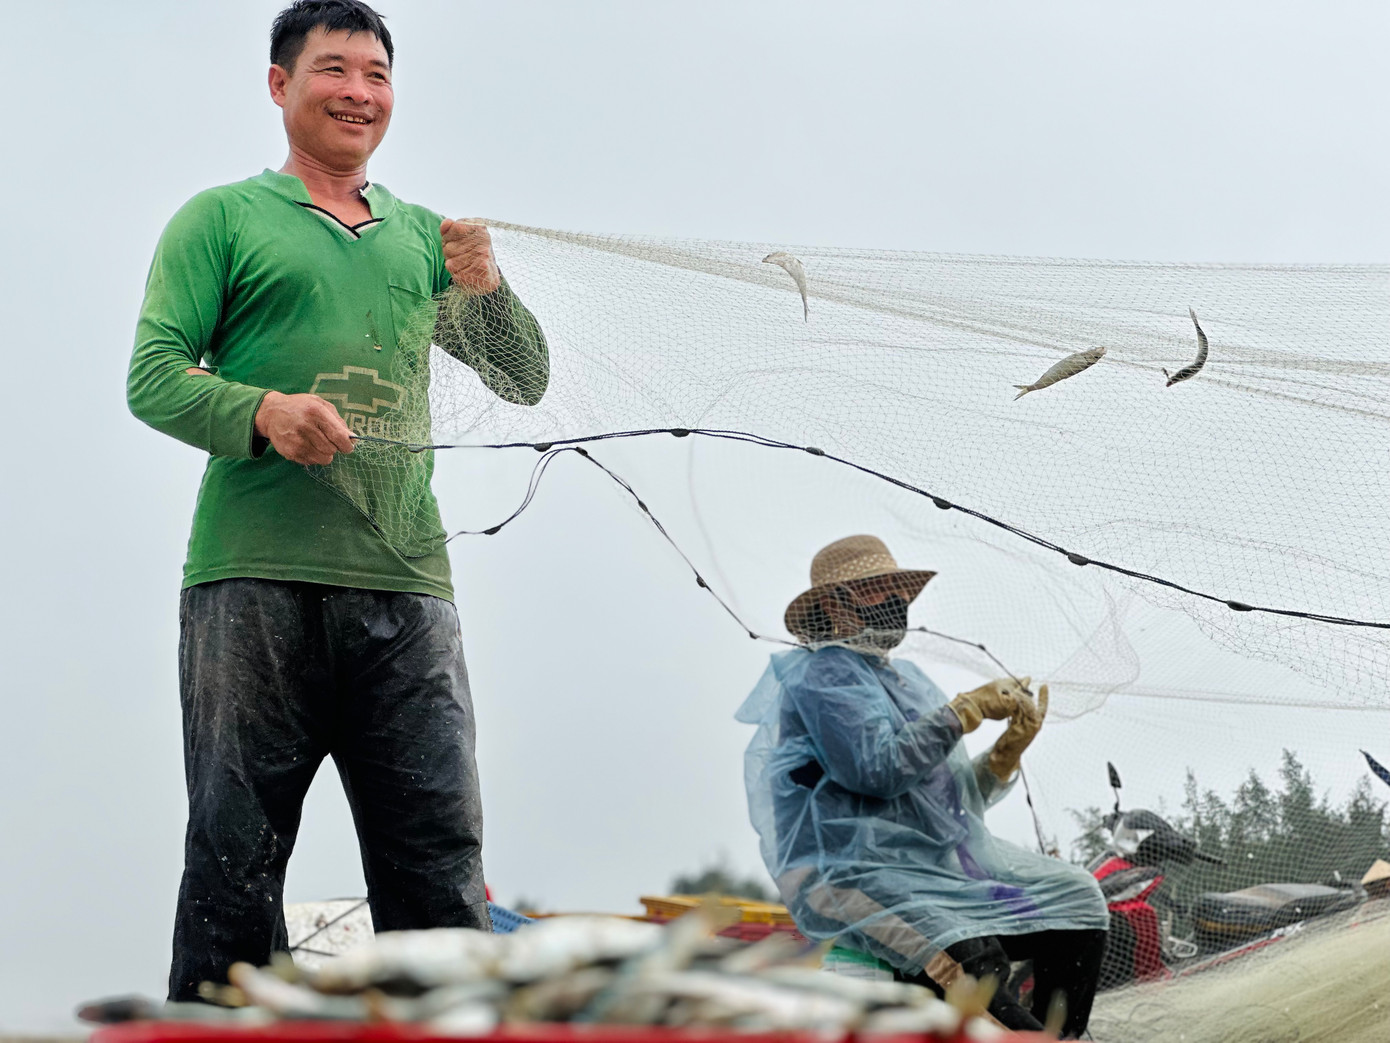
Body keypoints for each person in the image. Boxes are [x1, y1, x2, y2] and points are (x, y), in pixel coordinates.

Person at [127, 0, 548, 1000]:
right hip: (251, 580)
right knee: (235, 856)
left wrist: (488, 291)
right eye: (334, 70)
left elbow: (521, 375)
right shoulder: (221, 218)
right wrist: (262, 409)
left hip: (407, 586)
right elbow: (152, 376)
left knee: (439, 863)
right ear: (280, 86)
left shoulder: (420, 238)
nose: (359, 92)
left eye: (377, 74)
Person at [735, 535, 1109, 1037]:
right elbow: (877, 770)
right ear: (830, 607)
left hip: (929, 876)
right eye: (874, 590)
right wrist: (964, 711)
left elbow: (946, 802)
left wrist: (1004, 754)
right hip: (850, 878)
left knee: (1079, 900)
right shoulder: (822, 675)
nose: (893, 602)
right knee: (970, 960)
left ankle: (1054, 1033)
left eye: (897, 589)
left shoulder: (906, 680)